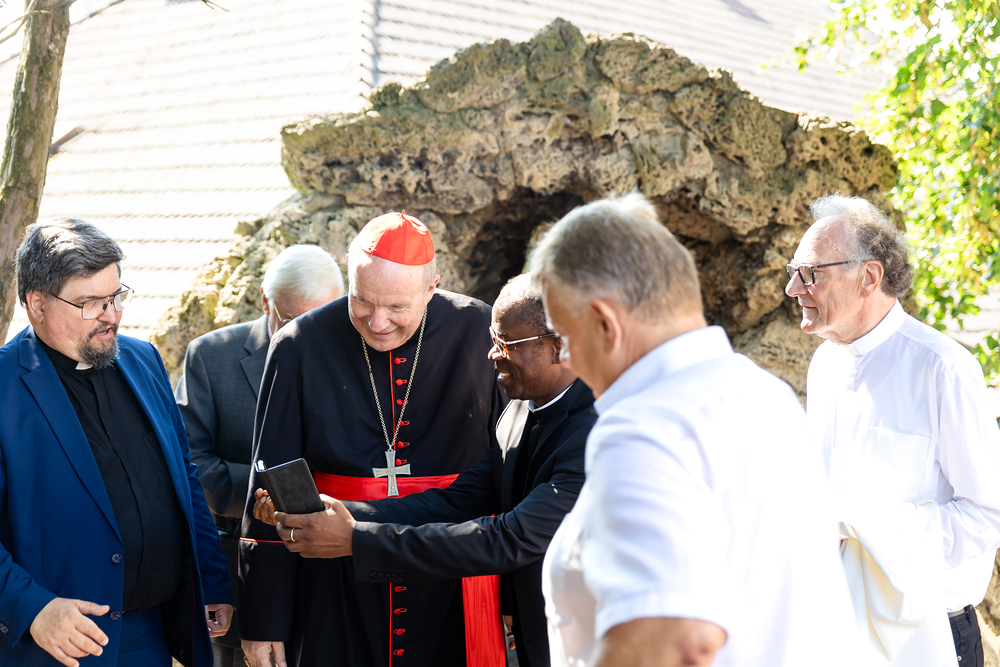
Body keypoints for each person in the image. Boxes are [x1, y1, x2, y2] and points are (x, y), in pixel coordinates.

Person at [529, 193, 862, 667]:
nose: (564, 356)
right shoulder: (766, 393)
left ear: (605, 323)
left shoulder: (643, 430)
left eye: (563, 335)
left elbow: (673, 641)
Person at [253, 273, 596, 667]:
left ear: (558, 347)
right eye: (493, 338)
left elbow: (508, 539)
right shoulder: (520, 409)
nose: (491, 354)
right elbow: (460, 500)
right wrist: (329, 515)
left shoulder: (598, 434)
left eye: (505, 343)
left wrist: (356, 540)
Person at [239, 211, 507, 667]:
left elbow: (511, 470)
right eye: (362, 300)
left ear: (431, 287)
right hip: (334, 580)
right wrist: (264, 618)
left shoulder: (480, 331)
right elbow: (271, 485)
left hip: (454, 567)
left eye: (398, 307)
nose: (378, 322)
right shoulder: (299, 345)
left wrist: (519, 596)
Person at [0, 219, 233, 667]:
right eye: (90, 303)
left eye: (115, 296)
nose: (111, 315)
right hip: (55, 645)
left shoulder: (143, 358)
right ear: (37, 304)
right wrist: (33, 609)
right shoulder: (3, 388)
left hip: (151, 633)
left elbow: (183, 479)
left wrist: (212, 579)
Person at [785, 194, 1000, 667]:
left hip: (929, 636)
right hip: (838, 630)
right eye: (793, 270)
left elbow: (987, 516)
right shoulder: (824, 364)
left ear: (869, 276)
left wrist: (865, 524)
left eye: (810, 272)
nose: (793, 287)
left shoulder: (943, 368)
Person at [175, 244, 344, 667]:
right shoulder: (211, 356)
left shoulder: (355, 355)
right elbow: (188, 462)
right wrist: (275, 500)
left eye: (320, 319)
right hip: (241, 576)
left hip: (334, 578)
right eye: (293, 320)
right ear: (266, 301)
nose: (306, 334)